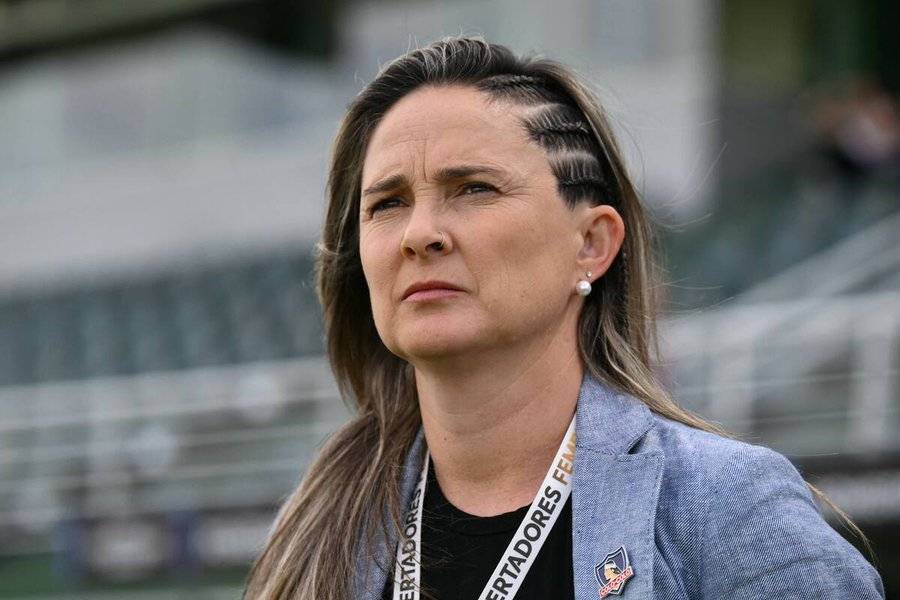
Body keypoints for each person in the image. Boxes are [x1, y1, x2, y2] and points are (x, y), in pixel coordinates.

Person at [243, 36, 885, 600]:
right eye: (388, 203)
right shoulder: (318, 527)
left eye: (474, 189)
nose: (420, 233)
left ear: (592, 244)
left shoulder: (723, 507)